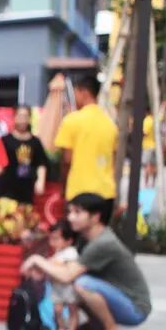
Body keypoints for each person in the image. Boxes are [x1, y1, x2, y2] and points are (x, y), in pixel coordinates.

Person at [22, 193, 151, 330]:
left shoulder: (103, 243)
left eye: (77, 212)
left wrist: (36, 259)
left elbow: (67, 275)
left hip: (135, 308)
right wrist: (42, 270)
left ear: (95, 217)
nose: (70, 217)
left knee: (82, 284)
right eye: (70, 212)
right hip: (119, 296)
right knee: (76, 281)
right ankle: (96, 324)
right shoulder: (86, 238)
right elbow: (66, 269)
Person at [54, 74, 117, 221]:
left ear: (84, 92)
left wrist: (63, 187)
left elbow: (66, 160)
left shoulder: (71, 121)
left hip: (79, 193)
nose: (75, 97)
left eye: (76, 93)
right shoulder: (110, 124)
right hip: (105, 193)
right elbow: (112, 161)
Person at [0, 105, 48, 204]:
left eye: (25, 116)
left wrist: (40, 181)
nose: (22, 120)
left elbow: (41, 163)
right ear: (14, 118)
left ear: (29, 119)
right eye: (19, 116)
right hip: (6, 186)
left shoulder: (35, 142)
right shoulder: (5, 140)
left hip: (26, 187)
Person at [41, 219, 80, 330]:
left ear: (69, 241)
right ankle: (62, 329)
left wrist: (47, 263)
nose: (52, 242)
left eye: (56, 239)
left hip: (68, 287)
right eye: (51, 238)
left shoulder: (71, 252)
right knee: (57, 310)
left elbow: (59, 265)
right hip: (56, 287)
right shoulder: (57, 252)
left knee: (72, 309)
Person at [142, 110, 158, 189]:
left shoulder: (147, 121)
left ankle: (146, 184)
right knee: (154, 166)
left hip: (147, 146)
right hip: (155, 146)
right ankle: (153, 184)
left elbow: (145, 133)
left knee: (147, 166)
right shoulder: (154, 121)